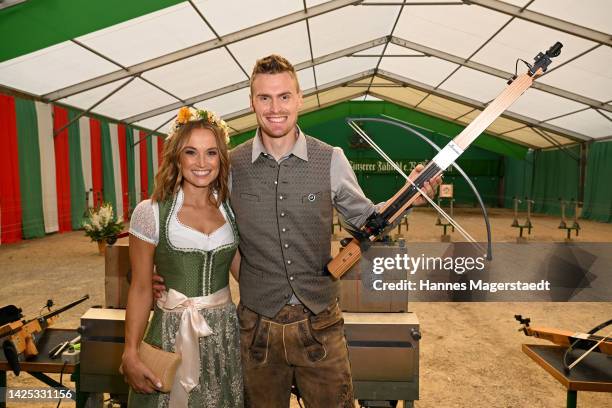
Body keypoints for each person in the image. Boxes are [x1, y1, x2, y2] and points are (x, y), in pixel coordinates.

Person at [154, 55, 440, 407]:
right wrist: (168, 272)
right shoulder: (232, 164)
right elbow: (195, 218)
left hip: (319, 324)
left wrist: (408, 196)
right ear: (252, 102)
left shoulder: (330, 158)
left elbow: (367, 220)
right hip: (256, 328)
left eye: (284, 96)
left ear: (300, 98)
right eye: (265, 98)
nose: (275, 108)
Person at [122, 107, 243, 408]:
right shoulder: (150, 213)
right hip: (169, 331)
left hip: (222, 335)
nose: (202, 163)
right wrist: (130, 352)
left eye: (211, 153)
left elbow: (246, 273)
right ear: (177, 157)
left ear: (221, 158)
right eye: (191, 152)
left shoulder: (231, 210)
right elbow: (139, 287)